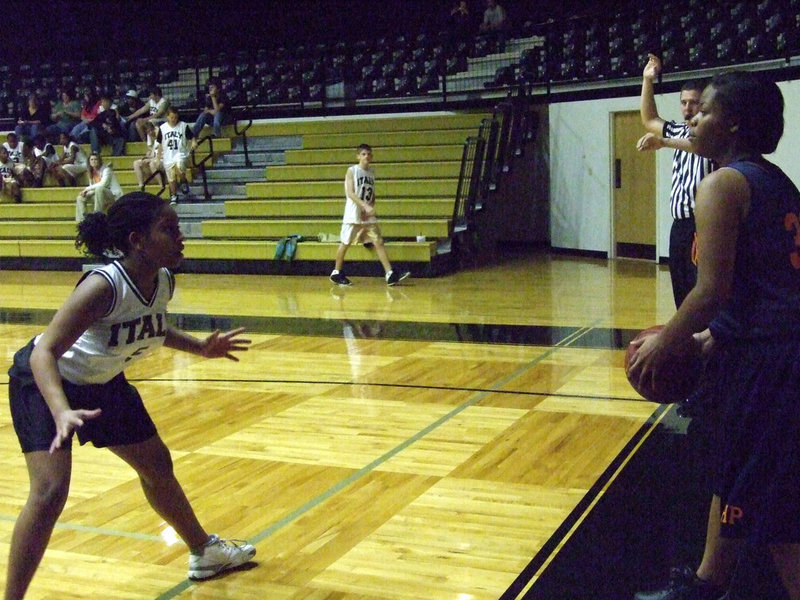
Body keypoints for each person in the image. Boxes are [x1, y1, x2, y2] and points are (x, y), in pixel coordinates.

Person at [4, 192, 257, 600]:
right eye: (169, 230)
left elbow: (150, 327)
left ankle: (204, 552)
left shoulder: (163, 280)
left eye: (178, 229)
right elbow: (44, 352)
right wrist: (62, 410)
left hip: (104, 383)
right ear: (138, 240)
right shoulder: (103, 286)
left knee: (157, 464)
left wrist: (200, 348)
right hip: (46, 382)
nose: (180, 237)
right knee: (51, 491)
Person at [628, 71, 800, 600]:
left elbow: (711, 292)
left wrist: (668, 340)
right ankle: (705, 584)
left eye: (704, 111)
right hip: (773, 349)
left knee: (770, 507)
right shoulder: (773, 179)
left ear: (733, 124)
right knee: (736, 472)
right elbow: (767, 283)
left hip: (771, 365)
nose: (693, 118)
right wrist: (717, 339)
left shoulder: (721, 184)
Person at [638, 53, 714, 309]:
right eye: (683, 102)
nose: (687, 108)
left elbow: (699, 144)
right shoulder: (680, 130)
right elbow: (649, 119)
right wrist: (648, 81)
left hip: (703, 225)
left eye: (693, 102)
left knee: (700, 293)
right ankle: (687, 341)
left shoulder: (712, 134)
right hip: (680, 226)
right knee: (681, 291)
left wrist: (664, 142)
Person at [329, 143, 411, 286]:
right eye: (364, 154)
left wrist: (370, 206)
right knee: (346, 242)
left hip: (367, 215)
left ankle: (389, 273)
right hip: (353, 214)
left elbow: (371, 194)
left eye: (369, 154)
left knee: (378, 241)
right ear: (358, 156)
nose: (367, 156)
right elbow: (350, 193)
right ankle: (336, 272)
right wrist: (364, 206)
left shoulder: (371, 173)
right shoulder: (352, 171)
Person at [156, 106, 197, 204]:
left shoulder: (183, 125)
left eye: (175, 117)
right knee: (171, 178)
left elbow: (192, 137)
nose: (174, 119)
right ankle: (174, 196)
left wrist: (194, 142)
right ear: (167, 117)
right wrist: (158, 158)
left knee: (179, 166)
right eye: (171, 117)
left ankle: (183, 181)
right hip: (168, 155)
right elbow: (160, 144)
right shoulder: (162, 128)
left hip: (181, 153)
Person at [75, 153, 123, 222]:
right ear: (89, 162)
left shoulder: (107, 170)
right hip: (99, 195)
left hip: (113, 195)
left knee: (99, 189)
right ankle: (82, 221)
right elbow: (93, 188)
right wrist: (86, 193)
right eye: (91, 160)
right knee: (80, 197)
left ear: (99, 161)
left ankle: (96, 216)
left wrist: (87, 189)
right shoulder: (91, 172)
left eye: (95, 159)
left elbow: (103, 184)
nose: (93, 161)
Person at [132, 120, 165, 190]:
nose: (150, 133)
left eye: (151, 131)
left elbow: (162, 154)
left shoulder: (162, 136)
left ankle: (161, 185)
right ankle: (141, 185)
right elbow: (152, 151)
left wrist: (150, 159)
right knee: (136, 163)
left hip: (162, 160)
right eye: (148, 132)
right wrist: (147, 157)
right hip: (154, 158)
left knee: (152, 164)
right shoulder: (152, 139)